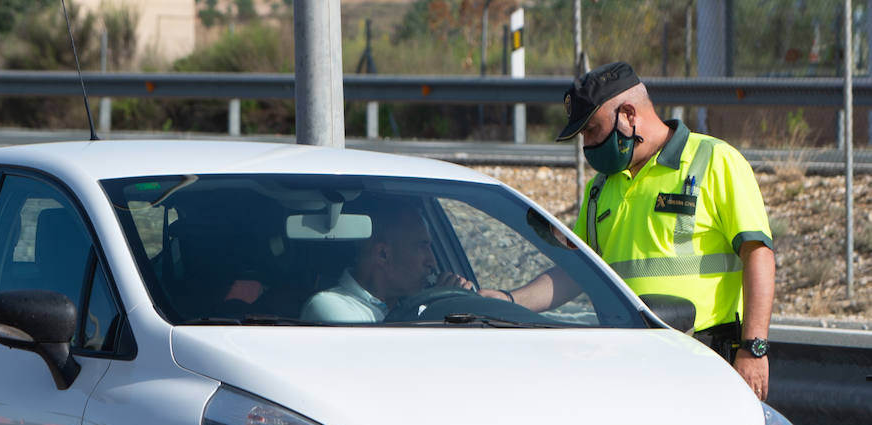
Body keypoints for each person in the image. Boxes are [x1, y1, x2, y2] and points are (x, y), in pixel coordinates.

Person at [493, 62, 775, 400]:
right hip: (624, 364)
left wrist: (753, 348)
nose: (588, 145)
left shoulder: (714, 161)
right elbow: (576, 273)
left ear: (628, 115)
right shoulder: (601, 189)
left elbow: (758, 254)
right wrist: (509, 300)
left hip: (702, 362)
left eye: (592, 130)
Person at [301, 204, 479, 323]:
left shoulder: (418, 306)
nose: (432, 261)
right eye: (421, 246)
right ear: (383, 254)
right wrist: (438, 312)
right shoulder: (331, 306)